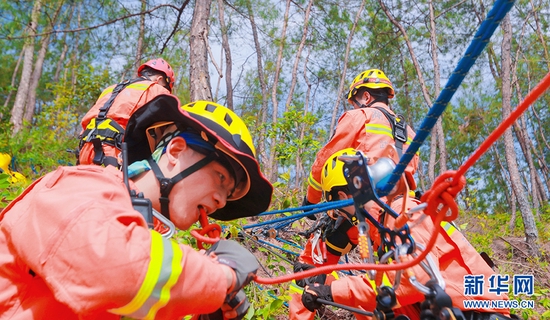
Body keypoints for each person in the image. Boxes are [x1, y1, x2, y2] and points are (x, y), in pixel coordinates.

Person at [0, 96, 274, 319]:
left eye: (228, 194)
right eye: (221, 177)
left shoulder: (146, 241)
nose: (222, 202)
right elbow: (109, 269)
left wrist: (202, 308)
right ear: (176, 150)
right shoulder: (80, 186)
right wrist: (220, 276)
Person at [290, 148, 514, 320]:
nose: (341, 217)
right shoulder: (383, 226)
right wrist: (323, 280)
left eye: (338, 208)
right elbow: (378, 286)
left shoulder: (401, 212)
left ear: (342, 195)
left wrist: (333, 291)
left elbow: (417, 280)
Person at [304, 68, 418, 208]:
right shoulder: (410, 132)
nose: (354, 108)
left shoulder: (359, 116)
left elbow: (327, 159)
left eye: (354, 104)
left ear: (366, 97)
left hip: (372, 204)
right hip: (408, 203)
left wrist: (311, 199)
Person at [78, 58, 177, 167]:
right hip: (111, 153)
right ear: (159, 79)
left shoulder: (111, 89)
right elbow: (174, 127)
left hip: (85, 149)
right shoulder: (156, 89)